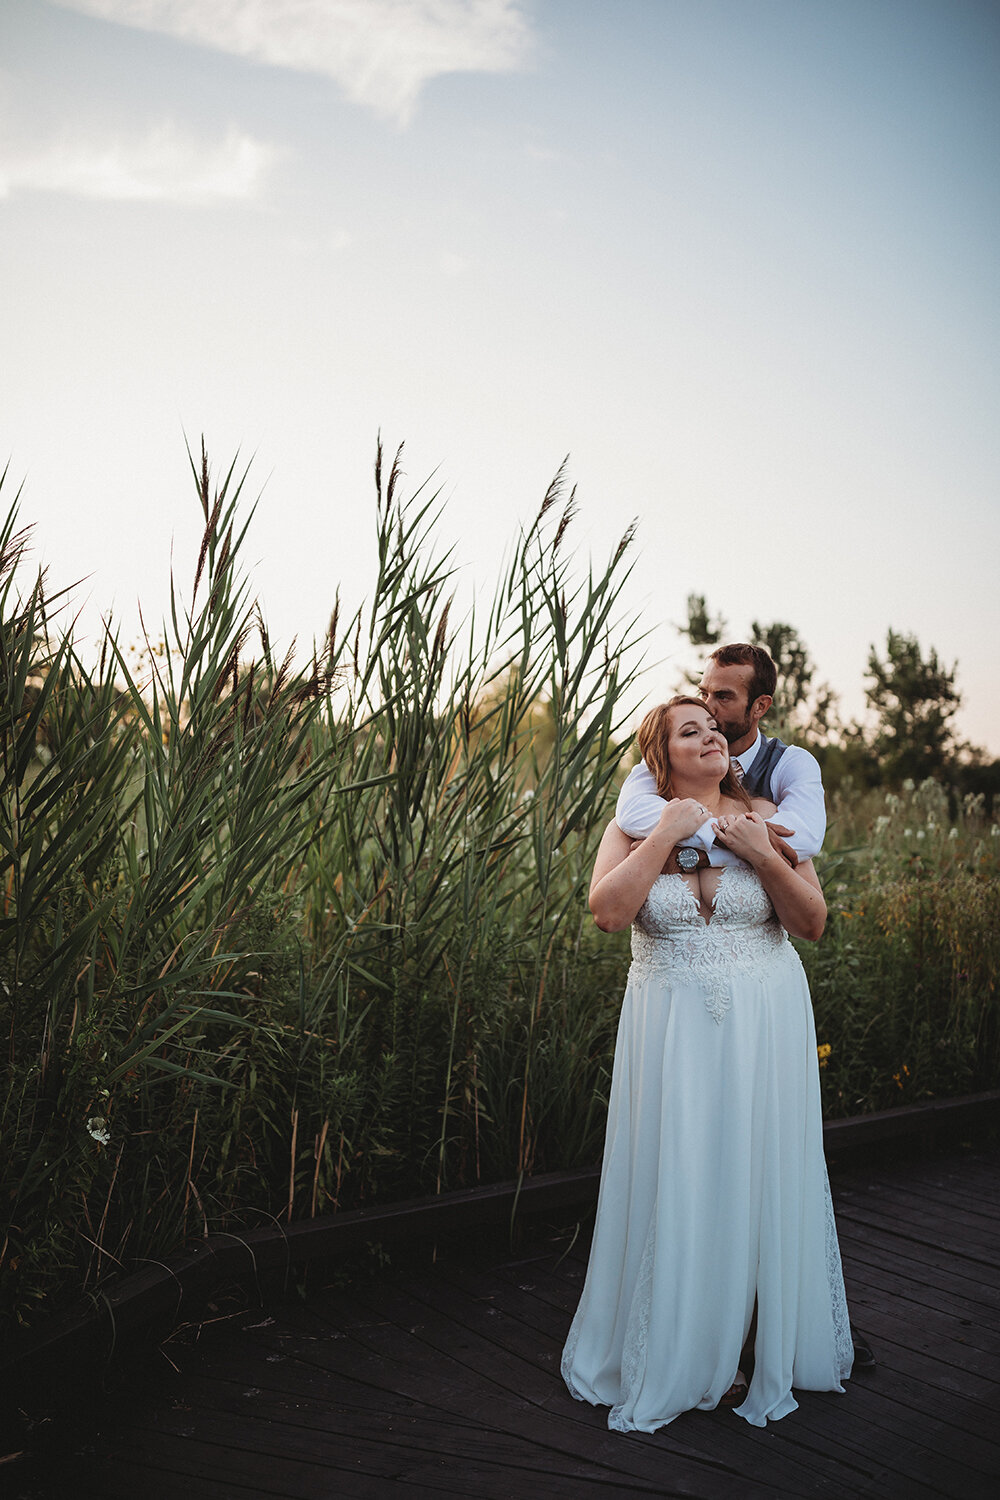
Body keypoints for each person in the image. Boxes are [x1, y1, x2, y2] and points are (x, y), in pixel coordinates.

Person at [561, 695, 854, 1430]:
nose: (712, 737)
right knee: (682, 1171)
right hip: (671, 1032)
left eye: (716, 728)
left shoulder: (770, 819)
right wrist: (664, 834)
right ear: (660, 755)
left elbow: (813, 923)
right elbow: (607, 912)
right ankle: (685, 1348)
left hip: (764, 1022)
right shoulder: (635, 823)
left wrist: (760, 853)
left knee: (756, 1171)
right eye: (690, 730)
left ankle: (758, 1345)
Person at [616, 642, 825, 868]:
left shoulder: (790, 762)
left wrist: (702, 857)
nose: (707, 707)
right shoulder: (670, 754)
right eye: (704, 693)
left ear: (760, 707)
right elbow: (632, 811)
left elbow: (803, 838)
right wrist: (732, 838)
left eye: (723, 697)